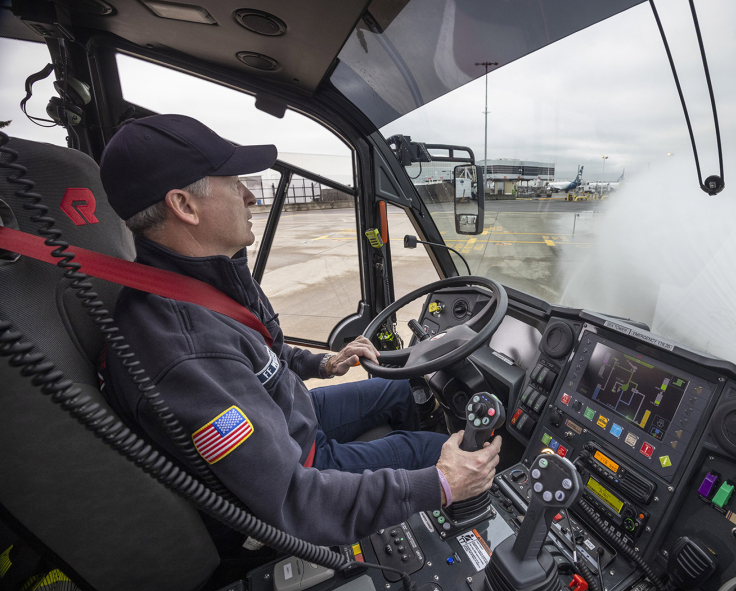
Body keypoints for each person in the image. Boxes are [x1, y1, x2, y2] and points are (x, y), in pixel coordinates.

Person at [99, 114, 501, 547]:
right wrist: (440, 482)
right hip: (303, 461)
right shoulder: (185, 353)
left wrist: (325, 362)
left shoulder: (208, 280)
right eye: (234, 183)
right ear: (184, 205)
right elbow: (293, 499)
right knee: (435, 450)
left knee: (403, 389)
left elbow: (262, 355)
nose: (250, 195)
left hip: (290, 414)